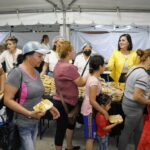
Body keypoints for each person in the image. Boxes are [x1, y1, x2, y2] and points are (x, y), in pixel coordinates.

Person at [4, 41, 60, 150]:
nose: (42, 59)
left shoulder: (36, 72)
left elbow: (38, 96)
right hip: (21, 124)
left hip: (34, 122)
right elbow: (7, 100)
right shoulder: (16, 73)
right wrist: (29, 113)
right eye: (39, 56)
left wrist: (49, 106)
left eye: (42, 56)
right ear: (28, 56)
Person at [53, 41, 86, 150]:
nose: (74, 52)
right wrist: (90, 75)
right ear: (68, 52)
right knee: (61, 128)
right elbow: (81, 83)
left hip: (63, 100)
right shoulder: (69, 67)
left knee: (69, 124)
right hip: (65, 102)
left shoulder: (59, 64)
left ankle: (69, 146)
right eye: (72, 50)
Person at [118, 49, 150, 150]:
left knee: (139, 130)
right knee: (127, 132)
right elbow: (137, 96)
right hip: (133, 108)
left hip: (128, 104)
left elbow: (131, 85)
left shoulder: (134, 68)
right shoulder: (143, 75)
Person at [81, 55, 109, 150]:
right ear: (100, 67)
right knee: (90, 137)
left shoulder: (93, 77)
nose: (105, 67)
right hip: (89, 111)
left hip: (90, 109)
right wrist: (104, 112)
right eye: (104, 65)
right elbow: (92, 101)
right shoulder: (94, 81)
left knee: (91, 134)